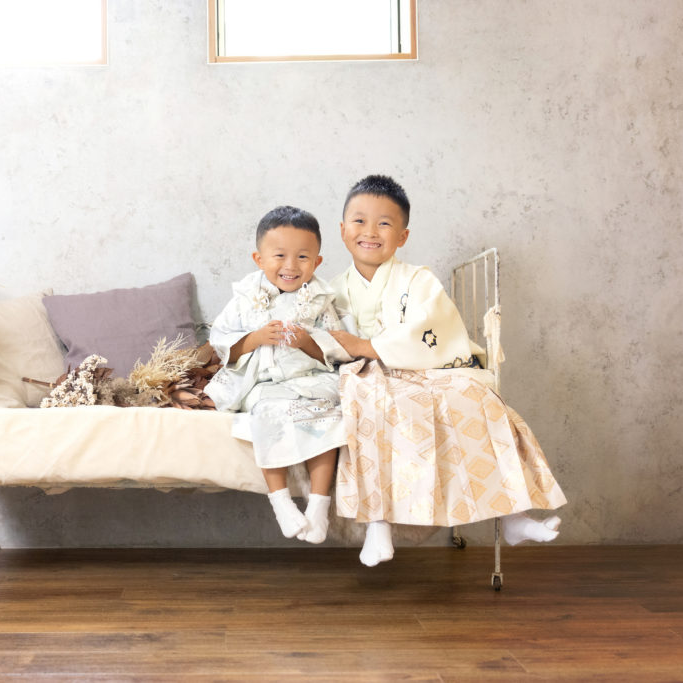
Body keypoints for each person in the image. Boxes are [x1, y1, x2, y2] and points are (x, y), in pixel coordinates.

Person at [328, 175, 567, 567]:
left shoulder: (418, 279)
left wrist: (369, 346)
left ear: (402, 236)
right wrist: (358, 353)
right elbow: (330, 338)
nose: (370, 232)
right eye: (359, 221)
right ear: (342, 230)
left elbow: (434, 327)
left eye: (384, 223)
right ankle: (377, 523)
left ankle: (514, 517)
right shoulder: (330, 289)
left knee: (478, 397)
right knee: (370, 402)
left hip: (423, 367)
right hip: (369, 373)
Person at [208, 206, 351, 544]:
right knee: (265, 414)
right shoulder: (246, 297)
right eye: (280, 256)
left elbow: (339, 345)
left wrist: (307, 342)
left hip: (310, 378)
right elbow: (222, 342)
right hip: (267, 382)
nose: (291, 266)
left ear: (316, 262)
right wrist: (256, 338)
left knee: (330, 416)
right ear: (259, 259)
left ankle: (318, 505)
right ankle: (281, 501)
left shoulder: (320, 299)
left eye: (302, 257)